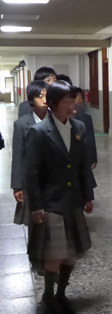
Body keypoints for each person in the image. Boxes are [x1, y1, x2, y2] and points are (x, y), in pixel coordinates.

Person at [25, 80, 95, 314]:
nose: (72, 107)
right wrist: (35, 207)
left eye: (73, 102)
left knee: (69, 255)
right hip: (50, 202)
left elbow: (82, 166)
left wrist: (88, 195)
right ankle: (48, 297)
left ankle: (62, 294)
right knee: (54, 254)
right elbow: (31, 174)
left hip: (72, 200)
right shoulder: (38, 132)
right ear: (52, 104)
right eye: (66, 102)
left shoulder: (78, 128)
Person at [11, 81, 50, 226]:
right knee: (34, 221)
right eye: (40, 96)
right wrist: (17, 186)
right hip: (32, 180)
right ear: (31, 99)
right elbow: (18, 156)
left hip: (53, 180)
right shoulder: (21, 124)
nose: (45, 100)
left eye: (48, 96)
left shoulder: (57, 120)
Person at [74, 87, 98, 168]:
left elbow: (90, 139)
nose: (79, 99)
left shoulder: (86, 117)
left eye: (81, 96)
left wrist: (93, 158)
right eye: (76, 96)